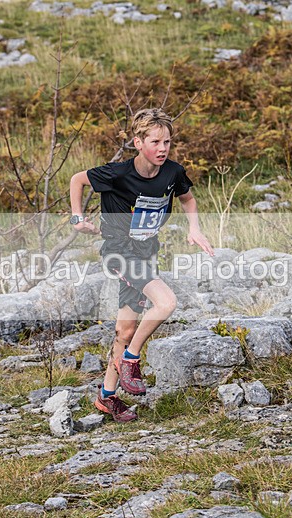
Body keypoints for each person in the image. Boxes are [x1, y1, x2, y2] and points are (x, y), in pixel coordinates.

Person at [70, 108, 214, 422]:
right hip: (119, 252)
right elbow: (77, 180)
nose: (162, 148)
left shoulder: (172, 172)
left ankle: (106, 398)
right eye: (155, 142)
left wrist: (195, 228)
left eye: (167, 142)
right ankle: (132, 360)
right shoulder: (117, 173)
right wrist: (77, 217)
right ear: (138, 142)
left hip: (146, 253)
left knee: (125, 329)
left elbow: (188, 199)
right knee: (166, 303)